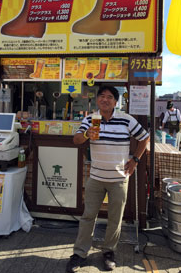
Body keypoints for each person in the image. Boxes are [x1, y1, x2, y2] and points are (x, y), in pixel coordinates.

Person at [66, 86, 149, 272]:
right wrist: (87, 134)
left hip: (119, 178)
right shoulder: (90, 119)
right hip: (95, 177)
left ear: (115, 101)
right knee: (88, 216)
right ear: (97, 100)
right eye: (102, 96)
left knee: (115, 218)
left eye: (110, 97)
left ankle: (109, 252)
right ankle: (79, 253)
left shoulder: (126, 119)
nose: (105, 100)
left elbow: (145, 138)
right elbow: (76, 140)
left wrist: (135, 160)